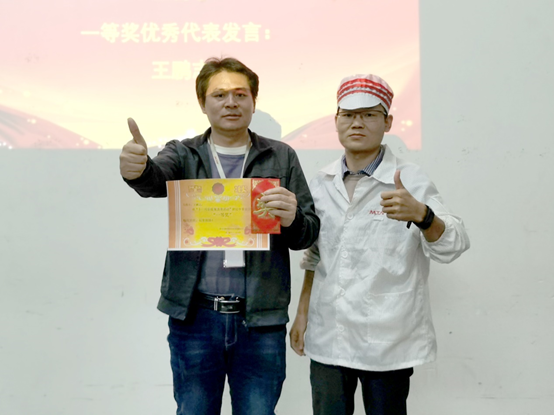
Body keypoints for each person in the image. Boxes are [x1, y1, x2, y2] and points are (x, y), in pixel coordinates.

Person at [119, 57, 320, 415]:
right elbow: (155, 181)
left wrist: (291, 219)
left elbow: (307, 234)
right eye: (220, 95)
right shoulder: (184, 153)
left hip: (260, 320)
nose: (231, 103)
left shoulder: (281, 156)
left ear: (253, 102)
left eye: (240, 94)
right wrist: (138, 170)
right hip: (195, 318)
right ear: (202, 103)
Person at [290, 74, 470, 415]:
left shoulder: (410, 179)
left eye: (369, 115)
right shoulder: (321, 182)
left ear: (387, 122)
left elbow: (455, 243)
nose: (357, 123)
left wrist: (423, 215)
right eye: (348, 115)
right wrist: (301, 314)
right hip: (330, 333)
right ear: (336, 121)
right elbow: (315, 255)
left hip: (388, 338)